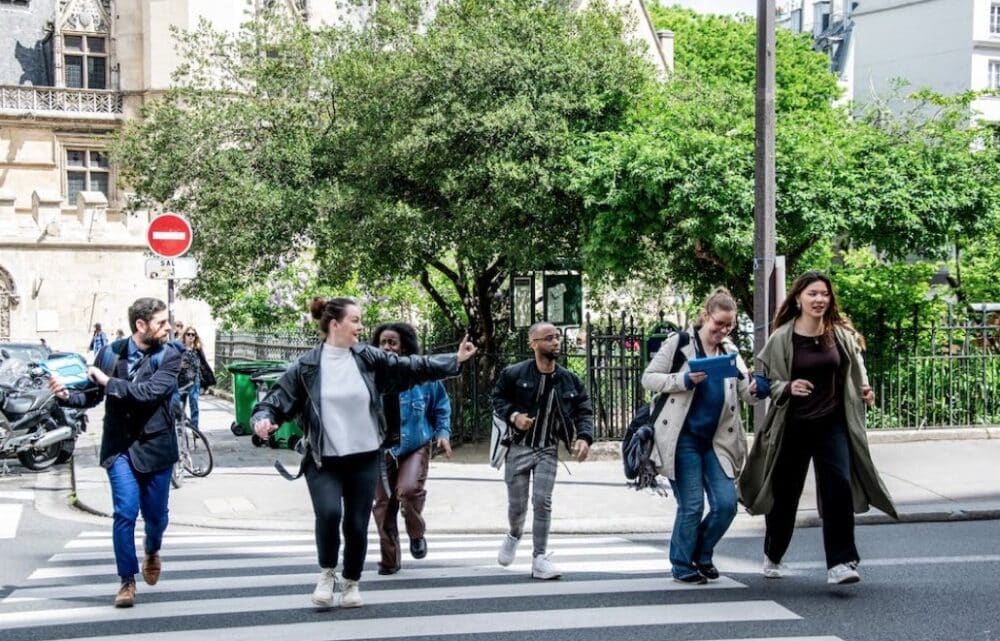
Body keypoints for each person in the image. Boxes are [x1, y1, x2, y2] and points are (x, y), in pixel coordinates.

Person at [251, 297, 477, 609]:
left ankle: (352, 581)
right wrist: (263, 420)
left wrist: (455, 359)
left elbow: (411, 367)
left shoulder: (368, 358)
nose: (361, 327)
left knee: (356, 524)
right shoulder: (307, 366)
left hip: (364, 457)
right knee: (329, 514)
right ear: (335, 324)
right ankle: (327, 573)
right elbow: (275, 401)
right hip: (323, 458)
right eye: (355, 320)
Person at [739, 271, 898, 585]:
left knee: (837, 487)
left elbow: (856, 370)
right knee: (785, 495)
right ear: (798, 298)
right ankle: (773, 553)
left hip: (833, 424)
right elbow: (763, 385)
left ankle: (840, 563)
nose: (819, 299)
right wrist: (786, 387)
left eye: (824, 294)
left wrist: (865, 390)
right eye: (812, 293)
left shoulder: (839, 335)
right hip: (792, 426)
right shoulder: (782, 337)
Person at [50, 298, 180, 607]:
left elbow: (148, 393)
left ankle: (152, 549)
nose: (168, 327)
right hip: (119, 446)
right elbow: (93, 396)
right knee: (124, 512)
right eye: (161, 323)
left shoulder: (170, 356)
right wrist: (66, 395)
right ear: (141, 325)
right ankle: (126, 581)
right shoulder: (110, 353)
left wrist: (108, 382)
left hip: (157, 448)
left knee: (156, 517)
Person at [641, 287, 763, 583]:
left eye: (729, 325)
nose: (723, 330)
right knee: (692, 505)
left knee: (725, 505)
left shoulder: (730, 351)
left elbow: (747, 393)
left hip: (717, 441)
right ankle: (682, 564)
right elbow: (649, 378)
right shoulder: (679, 343)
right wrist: (683, 379)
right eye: (719, 323)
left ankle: (702, 553)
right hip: (682, 439)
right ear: (705, 316)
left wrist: (757, 387)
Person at [490, 321, 593, 580]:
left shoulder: (569, 379)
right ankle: (514, 534)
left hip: (548, 449)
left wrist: (584, 437)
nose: (555, 342)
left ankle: (539, 558)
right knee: (518, 507)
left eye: (557, 337)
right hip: (518, 448)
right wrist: (514, 416)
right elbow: (497, 398)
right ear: (533, 344)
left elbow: (583, 409)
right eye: (548, 338)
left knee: (542, 502)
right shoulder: (514, 374)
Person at [370, 323, 453, 575]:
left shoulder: (420, 375)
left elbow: (441, 406)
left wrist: (443, 433)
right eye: (383, 342)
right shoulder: (370, 376)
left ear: (404, 345)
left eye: (392, 342)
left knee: (407, 490)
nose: (387, 347)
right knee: (383, 505)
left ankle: (416, 534)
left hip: (415, 444)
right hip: (380, 449)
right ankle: (390, 559)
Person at [178, 326, 209, 428]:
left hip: (194, 381)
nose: (191, 336)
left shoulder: (197, 350)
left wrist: (205, 383)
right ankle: (180, 428)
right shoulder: (179, 349)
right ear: (184, 336)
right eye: (188, 334)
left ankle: (195, 428)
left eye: (193, 334)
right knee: (180, 406)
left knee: (194, 404)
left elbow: (204, 365)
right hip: (181, 382)